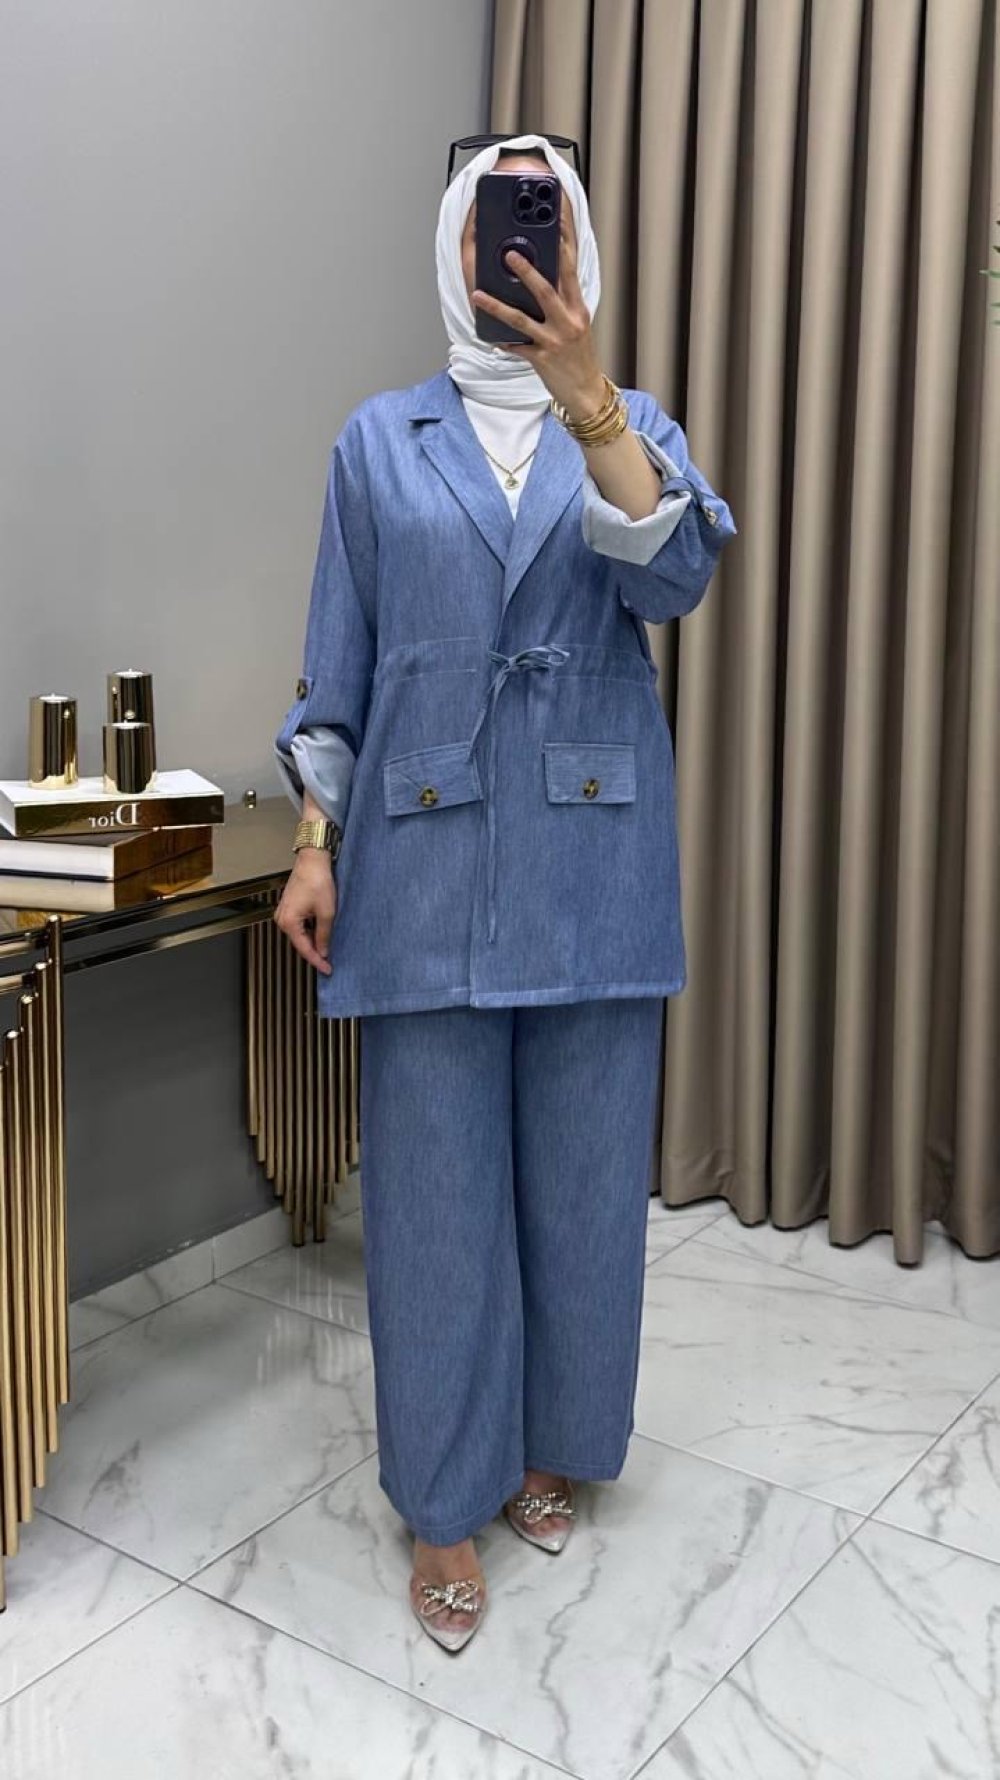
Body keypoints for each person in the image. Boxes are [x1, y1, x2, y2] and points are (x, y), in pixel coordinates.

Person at [272, 132, 736, 1652]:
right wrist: (315, 840)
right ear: (454, 245)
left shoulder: (633, 422)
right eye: (496, 222)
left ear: (578, 245)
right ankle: (441, 1499)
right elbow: (339, 662)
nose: (521, 249)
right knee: (434, 1202)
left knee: (588, 1188)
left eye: (544, 223)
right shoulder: (376, 441)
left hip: (594, 855)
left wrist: (589, 397)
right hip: (422, 853)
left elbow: (674, 580)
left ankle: (555, 1445)